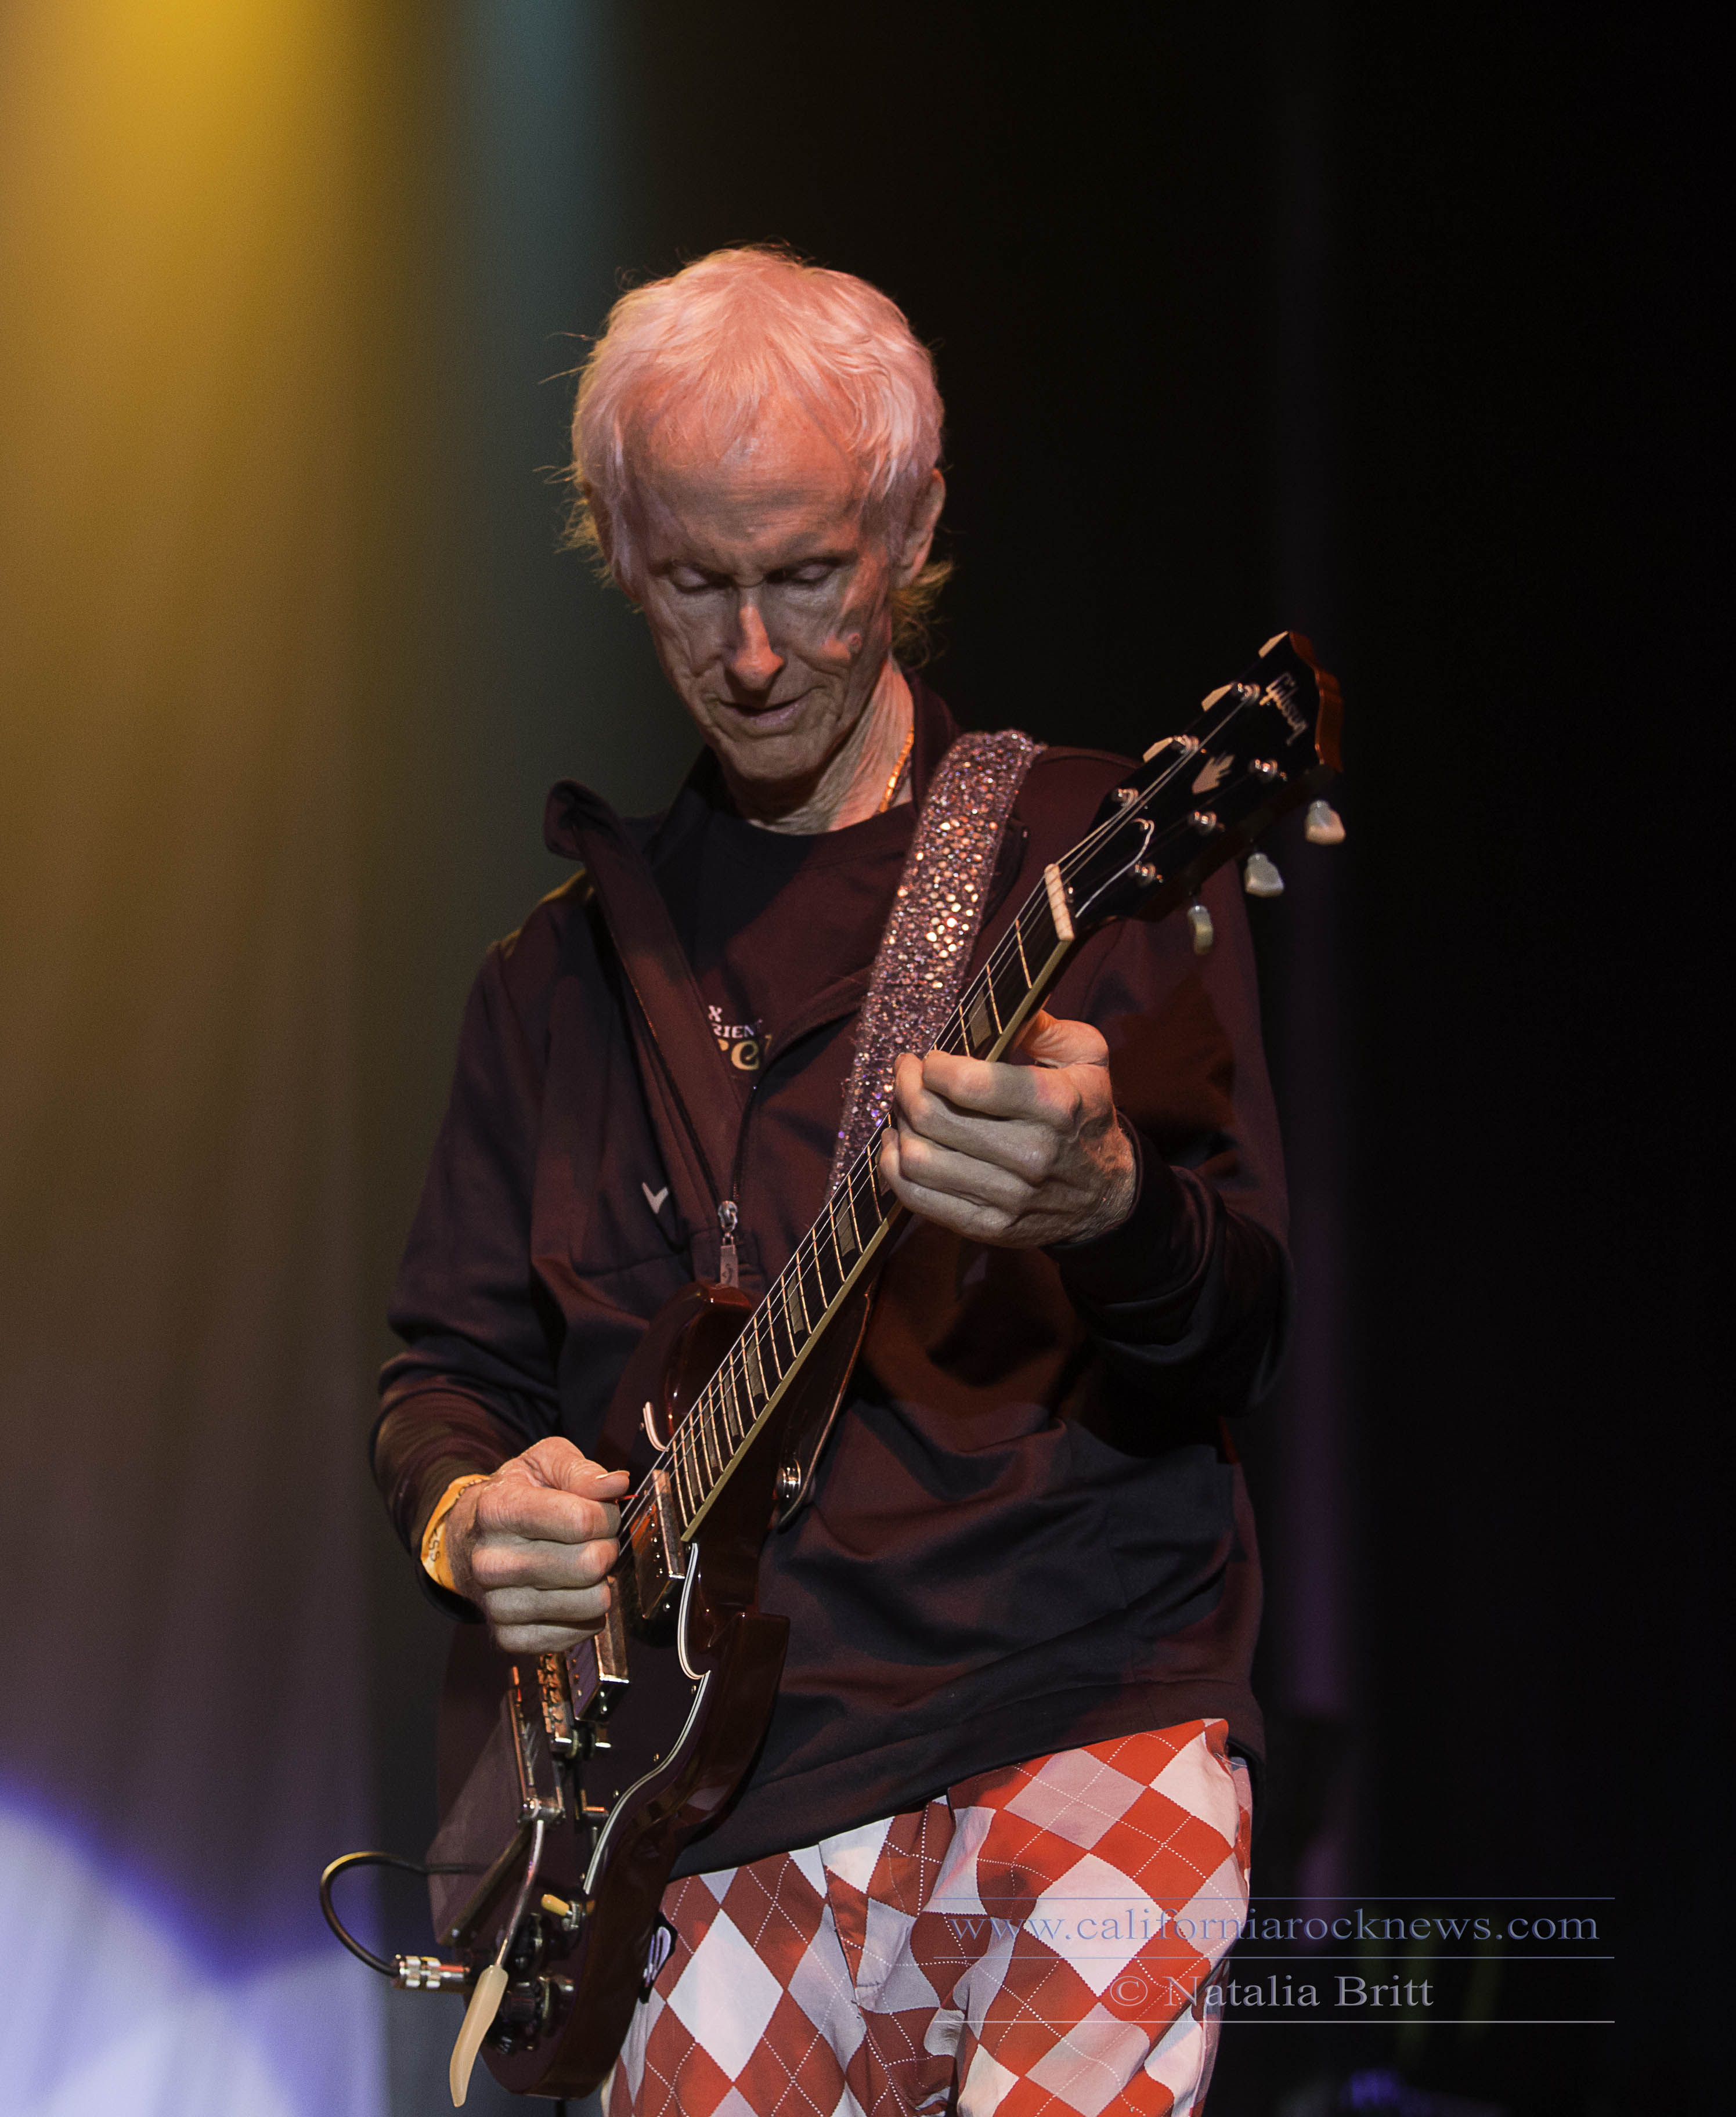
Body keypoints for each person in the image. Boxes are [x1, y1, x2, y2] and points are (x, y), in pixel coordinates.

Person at [375, 245, 1292, 2117]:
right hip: (698, 1806)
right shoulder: (553, 982)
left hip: (1077, 1718)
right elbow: (443, 1373)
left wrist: (1111, 1211)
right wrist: (471, 1517)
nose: (754, 654)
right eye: (695, 584)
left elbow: (1244, 1331)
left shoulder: (1083, 857)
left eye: (807, 575)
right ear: (618, 550)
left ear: (916, 523)